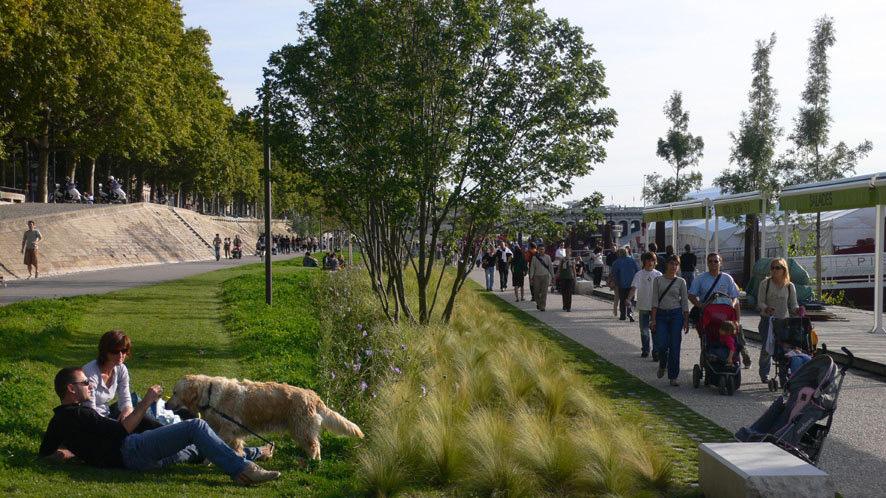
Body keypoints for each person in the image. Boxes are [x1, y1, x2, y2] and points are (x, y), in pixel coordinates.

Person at [39, 367, 280, 486]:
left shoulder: (58, 420)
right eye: (84, 383)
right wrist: (146, 402)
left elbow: (45, 454)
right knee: (195, 426)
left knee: (198, 447)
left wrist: (71, 452)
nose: (89, 385)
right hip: (132, 450)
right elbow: (121, 430)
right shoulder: (80, 413)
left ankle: (257, 452)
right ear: (71, 389)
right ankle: (242, 470)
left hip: (140, 460)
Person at [81, 331, 158, 433]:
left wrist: (127, 409)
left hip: (107, 413)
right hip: (93, 421)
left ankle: (168, 433)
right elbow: (90, 412)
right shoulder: (90, 373)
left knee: (141, 414)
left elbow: (125, 395)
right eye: (115, 351)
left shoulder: (120, 368)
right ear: (105, 351)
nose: (121, 355)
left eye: (124, 350)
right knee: (139, 417)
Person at [689, 253, 750, 368]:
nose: (713, 263)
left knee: (735, 332)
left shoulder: (727, 278)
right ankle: (707, 357)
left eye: (716, 261)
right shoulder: (701, 278)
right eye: (710, 261)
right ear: (707, 263)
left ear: (720, 263)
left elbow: (735, 297)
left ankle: (740, 351)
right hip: (709, 314)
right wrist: (700, 305)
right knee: (706, 336)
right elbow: (691, 295)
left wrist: (737, 318)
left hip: (726, 313)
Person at [757, 257, 800, 384]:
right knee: (767, 348)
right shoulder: (765, 283)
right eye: (772, 268)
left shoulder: (790, 286)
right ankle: (764, 373)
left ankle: (783, 375)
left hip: (783, 321)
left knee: (783, 349)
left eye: (778, 268)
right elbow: (760, 302)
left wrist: (798, 310)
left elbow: (793, 304)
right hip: (767, 320)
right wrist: (766, 308)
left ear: (784, 270)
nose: (774, 270)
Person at [650, 255, 690, 386]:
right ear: (667, 265)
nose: (674, 266)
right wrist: (653, 319)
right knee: (662, 344)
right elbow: (654, 301)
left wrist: (686, 319)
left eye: (676, 264)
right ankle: (663, 364)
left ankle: (673, 376)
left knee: (675, 345)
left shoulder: (681, 282)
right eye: (672, 263)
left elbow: (684, 301)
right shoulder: (658, 280)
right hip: (661, 314)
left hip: (676, 315)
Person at [629, 252, 662, 359]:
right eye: (647, 260)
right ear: (644, 262)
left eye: (652, 260)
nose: (650, 262)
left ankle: (656, 351)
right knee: (644, 330)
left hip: (655, 307)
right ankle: (646, 349)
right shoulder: (639, 274)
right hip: (643, 306)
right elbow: (634, 287)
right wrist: (628, 298)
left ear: (655, 262)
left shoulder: (658, 275)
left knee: (655, 330)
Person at [611, 248, 639, 321]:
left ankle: (622, 315)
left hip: (621, 283)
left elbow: (614, 273)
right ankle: (630, 314)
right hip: (632, 283)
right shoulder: (632, 261)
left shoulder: (616, 262)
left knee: (622, 299)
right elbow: (637, 270)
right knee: (631, 299)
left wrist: (615, 282)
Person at [529, 243, 554, 311]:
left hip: (545, 277)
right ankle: (539, 303)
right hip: (536, 277)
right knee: (536, 292)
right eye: (540, 249)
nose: (542, 251)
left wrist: (553, 276)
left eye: (543, 249)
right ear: (538, 250)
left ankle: (542, 306)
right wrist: (531, 277)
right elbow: (532, 268)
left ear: (544, 250)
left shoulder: (548, 257)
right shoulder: (534, 258)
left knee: (544, 292)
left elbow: (551, 267)